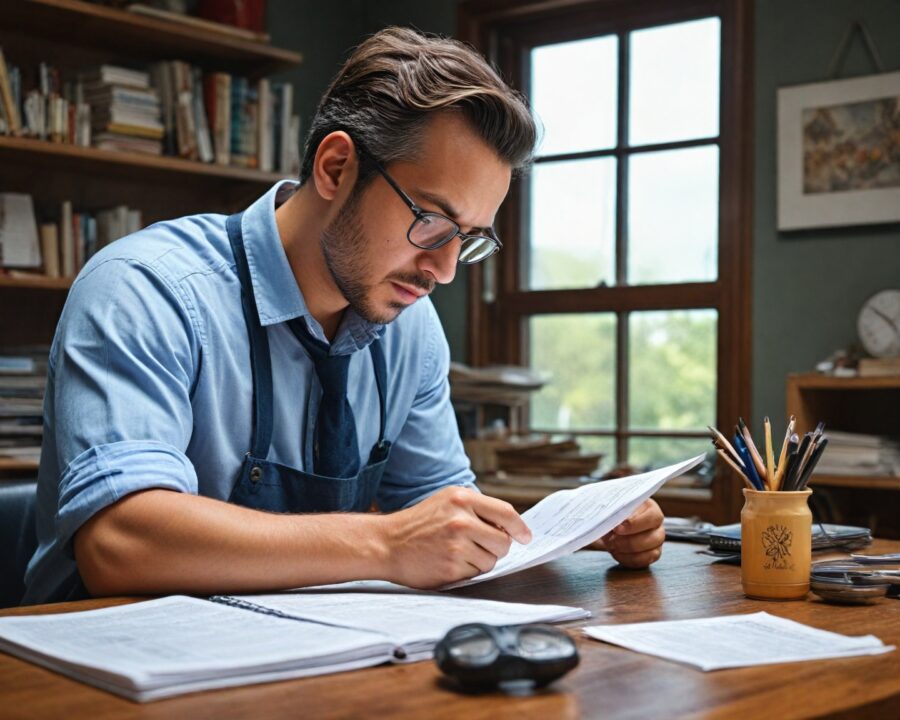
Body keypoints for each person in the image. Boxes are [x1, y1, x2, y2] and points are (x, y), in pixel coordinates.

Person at [23, 27, 664, 604]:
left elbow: (433, 519)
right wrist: (384, 545)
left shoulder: (408, 326)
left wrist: (571, 530)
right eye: (430, 221)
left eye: (467, 238)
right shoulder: (146, 290)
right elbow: (119, 544)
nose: (443, 270)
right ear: (336, 167)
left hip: (303, 661)